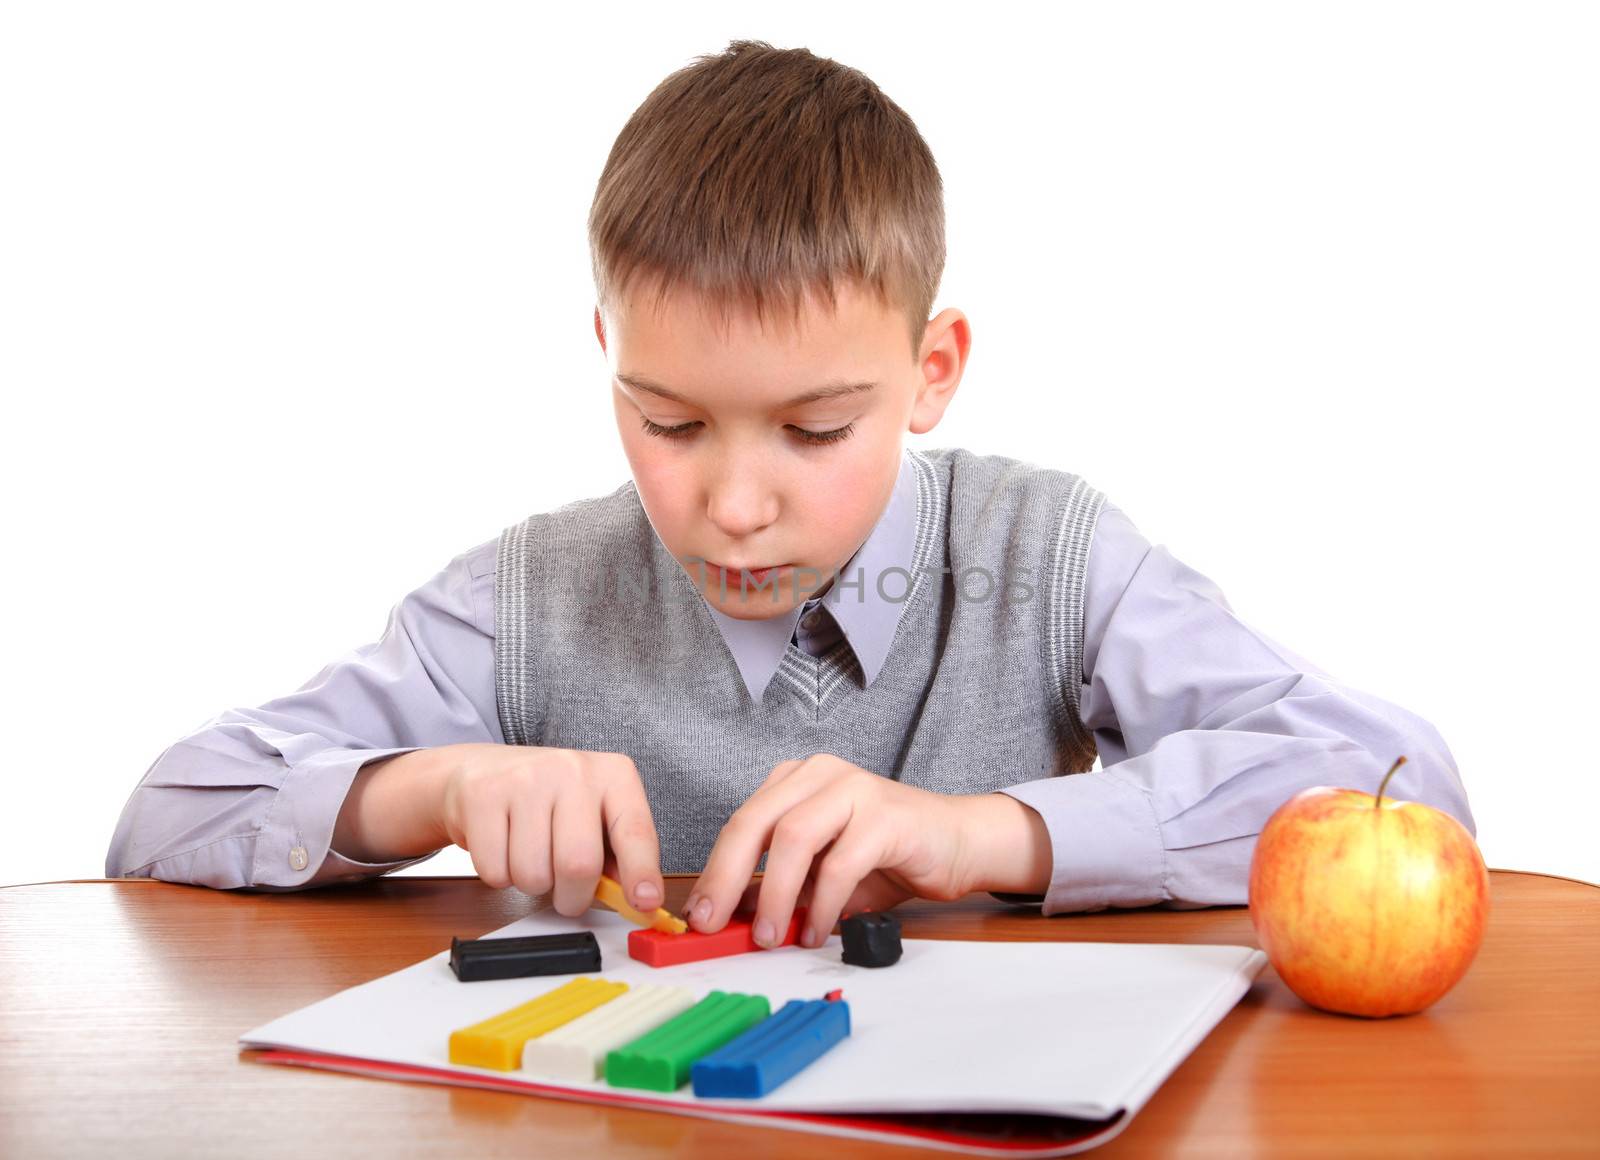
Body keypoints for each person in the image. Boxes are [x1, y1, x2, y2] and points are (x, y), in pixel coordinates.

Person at [106, 40, 1474, 952]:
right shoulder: (523, 600)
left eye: (815, 428)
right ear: (609, 362)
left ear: (931, 371)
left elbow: (1396, 781)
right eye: (671, 420)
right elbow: (164, 814)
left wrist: (980, 835)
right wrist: (427, 791)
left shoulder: (1048, 556)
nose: (734, 503)